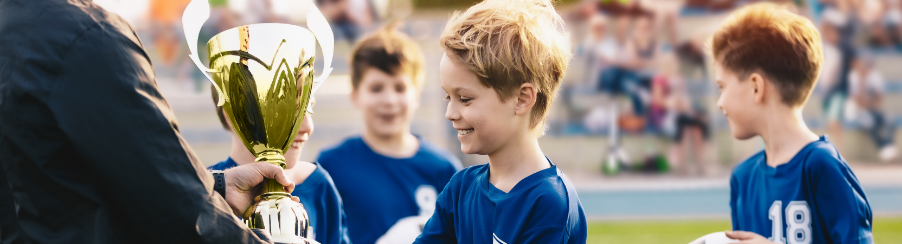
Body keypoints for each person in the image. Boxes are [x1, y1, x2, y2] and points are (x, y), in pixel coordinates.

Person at [0, 1, 298, 243]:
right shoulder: (87, 36)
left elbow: (63, 182)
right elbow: (180, 217)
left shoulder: (15, 27)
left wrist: (215, 185)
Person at [414, 0, 587, 243]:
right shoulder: (460, 188)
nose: (450, 113)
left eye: (464, 99)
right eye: (448, 97)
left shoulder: (548, 202)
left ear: (522, 99)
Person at [709, 3, 873, 243]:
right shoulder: (742, 179)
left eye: (722, 87)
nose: (719, 102)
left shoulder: (821, 166)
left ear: (756, 87)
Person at [316, 23, 461, 244]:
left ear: (416, 95)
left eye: (400, 88)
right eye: (376, 88)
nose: (389, 100)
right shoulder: (331, 166)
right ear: (355, 95)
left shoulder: (445, 170)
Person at [206, 91, 351, 244]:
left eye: (309, 109)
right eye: (287, 111)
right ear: (236, 115)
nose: (307, 126)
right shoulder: (204, 190)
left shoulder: (319, 185)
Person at [844, 53, 898, 162]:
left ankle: (888, 148)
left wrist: (868, 104)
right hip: (857, 111)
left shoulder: (874, 76)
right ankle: (884, 149)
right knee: (870, 122)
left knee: (888, 120)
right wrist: (862, 82)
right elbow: (857, 101)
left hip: (873, 108)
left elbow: (879, 98)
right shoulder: (853, 77)